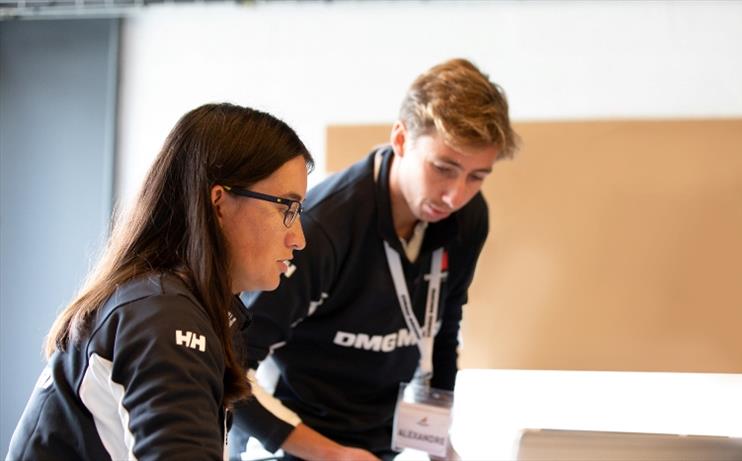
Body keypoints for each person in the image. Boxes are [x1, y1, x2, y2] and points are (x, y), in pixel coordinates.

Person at [232, 58, 518, 460]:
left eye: (477, 176)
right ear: (401, 140)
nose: (455, 195)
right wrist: (333, 455)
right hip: (292, 443)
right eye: (443, 168)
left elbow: (442, 327)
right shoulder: (322, 227)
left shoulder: (469, 217)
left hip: (381, 444)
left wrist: (437, 442)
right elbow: (230, 366)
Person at [6, 103, 313, 461]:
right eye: (285, 209)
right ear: (219, 202)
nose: (298, 239)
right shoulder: (165, 317)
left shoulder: (167, 303)